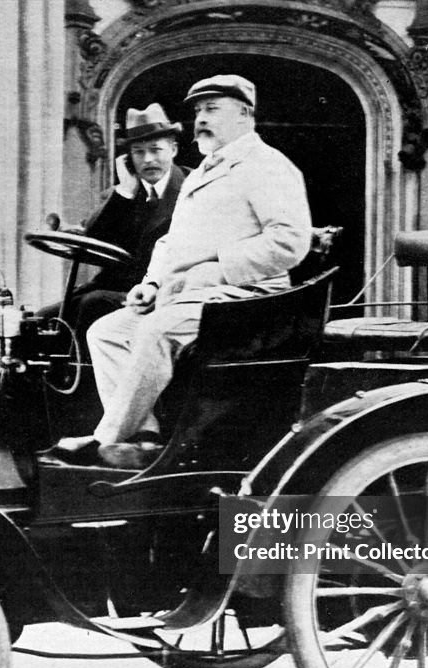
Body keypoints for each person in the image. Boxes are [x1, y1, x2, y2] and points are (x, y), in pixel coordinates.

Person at [50, 74, 313, 469]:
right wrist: (150, 283)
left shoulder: (266, 166)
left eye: (212, 109)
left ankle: (106, 438)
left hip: (252, 298)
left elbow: (290, 242)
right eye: (197, 112)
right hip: (193, 297)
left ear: (244, 114)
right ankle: (146, 437)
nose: (201, 119)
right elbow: (171, 241)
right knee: (105, 331)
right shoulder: (206, 170)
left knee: (157, 330)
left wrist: (219, 270)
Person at [38, 103, 188, 344]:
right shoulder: (121, 195)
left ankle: (87, 380)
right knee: (43, 318)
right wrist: (125, 193)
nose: (148, 159)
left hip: (160, 291)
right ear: (128, 158)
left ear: (173, 149)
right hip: (113, 287)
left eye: (155, 149)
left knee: (93, 304)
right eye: (138, 152)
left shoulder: (192, 188)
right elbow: (90, 241)